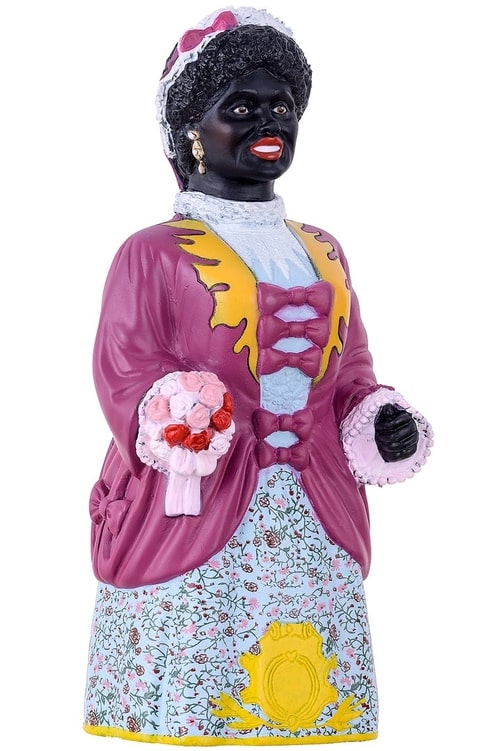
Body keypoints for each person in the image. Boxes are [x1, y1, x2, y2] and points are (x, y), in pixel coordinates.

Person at [83, 6, 433, 745]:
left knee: (305, 701)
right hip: (197, 509)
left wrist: (377, 420)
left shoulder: (324, 250)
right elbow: (124, 368)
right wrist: (175, 411)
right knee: (199, 699)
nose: (268, 122)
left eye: (281, 106)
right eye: (240, 107)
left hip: (312, 508)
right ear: (192, 130)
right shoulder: (153, 253)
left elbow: (350, 368)